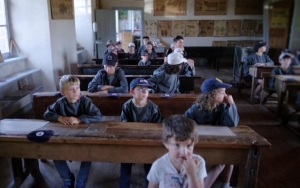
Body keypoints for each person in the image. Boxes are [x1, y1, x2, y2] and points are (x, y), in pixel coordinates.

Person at [43, 75, 102, 188]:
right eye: (71, 89)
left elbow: (98, 116)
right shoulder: (60, 102)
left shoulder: (86, 101)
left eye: (78, 88)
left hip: (84, 136)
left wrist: (79, 119)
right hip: (64, 135)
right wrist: (59, 118)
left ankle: (81, 180)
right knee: (54, 150)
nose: (76, 91)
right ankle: (67, 178)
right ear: (62, 92)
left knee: (89, 153)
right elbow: (47, 114)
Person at [184, 77, 239, 188]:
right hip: (198, 143)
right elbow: (184, 123)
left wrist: (231, 105)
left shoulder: (223, 107)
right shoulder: (196, 108)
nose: (226, 96)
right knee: (221, 162)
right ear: (212, 95)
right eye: (222, 92)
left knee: (230, 155)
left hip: (218, 141)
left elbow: (232, 123)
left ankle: (226, 184)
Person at [148, 115, 226, 188]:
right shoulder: (158, 166)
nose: (184, 152)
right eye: (177, 145)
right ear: (166, 144)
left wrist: (192, 174)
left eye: (189, 146)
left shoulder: (198, 162)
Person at [119, 78, 161, 188]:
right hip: (130, 141)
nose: (144, 92)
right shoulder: (127, 106)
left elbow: (157, 126)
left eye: (146, 89)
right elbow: (124, 125)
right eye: (140, 89)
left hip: (148, 142)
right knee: (125, 165)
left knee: (150, 166)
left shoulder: (153, 107)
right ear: (132, 91)